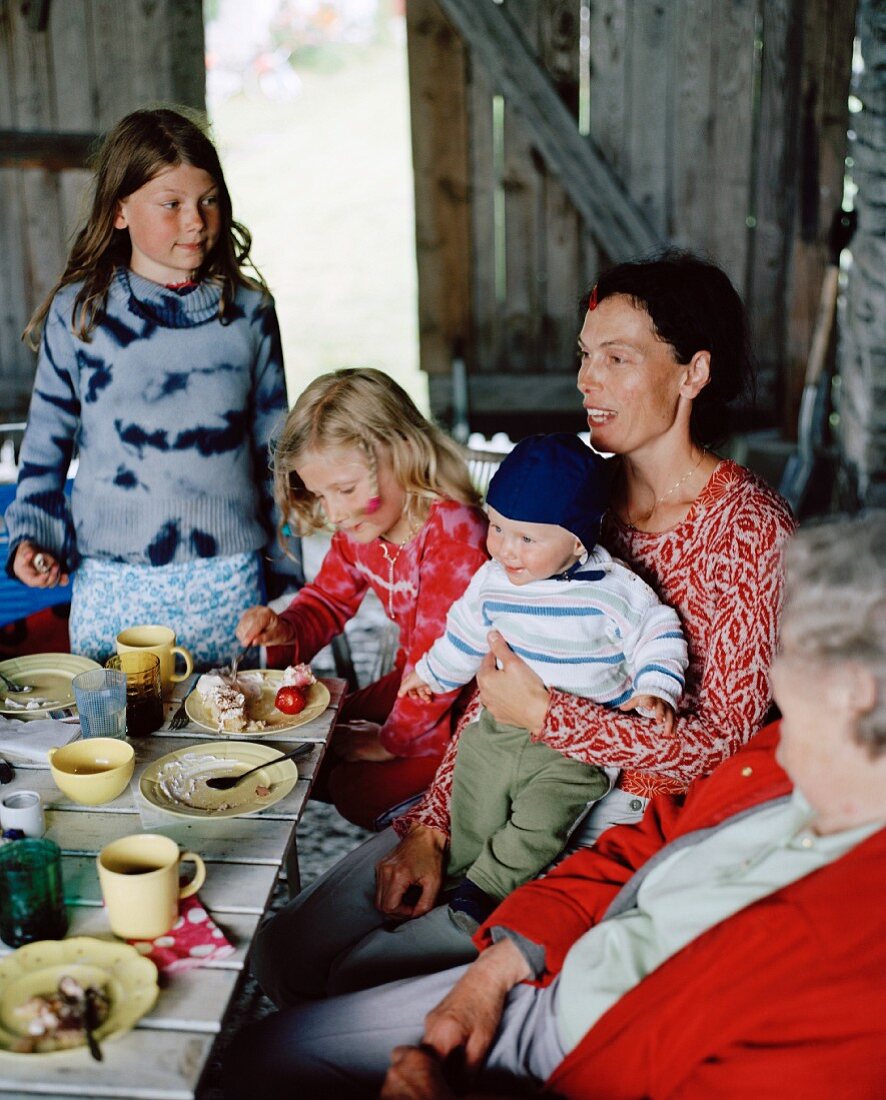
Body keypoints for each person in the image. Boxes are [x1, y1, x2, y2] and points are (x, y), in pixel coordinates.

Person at [248, 250, 795, 1007]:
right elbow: (489, 673)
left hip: (624, 816)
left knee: (353, 976)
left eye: (616, 358)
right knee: (283, 953)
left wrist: (548, 716)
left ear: (693, 373)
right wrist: (431, 827)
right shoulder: (566, 502)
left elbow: (720, 751)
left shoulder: (750, 531)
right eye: (584, 356)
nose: (586, 379)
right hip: (489, 772)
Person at [222, 512, 886, 1100]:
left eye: (790, 660)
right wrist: (498, 965)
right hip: (550, 960)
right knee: (266, 1026)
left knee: (259, 1061)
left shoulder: (855, 975)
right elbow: (645, 843)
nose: (770, 683)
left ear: (851, 692)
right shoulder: (779, 764)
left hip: (586, 1040)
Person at [4, 107, 287, 669]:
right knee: (120, 741)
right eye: (172, 204)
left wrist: (290, 582)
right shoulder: (78, 314)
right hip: (111, 583)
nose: (196, 221)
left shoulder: (251, 312)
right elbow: (45, 447)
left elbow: (277, 453)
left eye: (208, 200)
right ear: (120, 212)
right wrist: (31, 539)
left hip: (227, 581)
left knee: (227, 741)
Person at [398, 432, 688, 934]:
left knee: (542, 820)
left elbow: (658, 632)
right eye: (495, 527)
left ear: (577, 539)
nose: (505, 549)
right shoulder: (491, 581)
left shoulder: (614, 592)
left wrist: (656, 686)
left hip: (574, 750)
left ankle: (487, 888)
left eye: (526, 538)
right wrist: (430, 674)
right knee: (473, 793)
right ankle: (458, 869)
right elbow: (464, 633)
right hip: (500, 729)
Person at [235, 368, 488, 829]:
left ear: (403, 451)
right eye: (319, 495)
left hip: (473, 702)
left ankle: (447, 818)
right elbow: (328, 602)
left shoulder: (454, 533)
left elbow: (441, 667)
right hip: (414, 681)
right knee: (312, 739)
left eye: (346, 490)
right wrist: (284, 627)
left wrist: (392, 742)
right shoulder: (362, 531)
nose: (333, 512)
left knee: (350, 787)